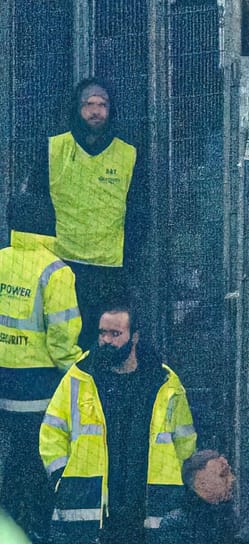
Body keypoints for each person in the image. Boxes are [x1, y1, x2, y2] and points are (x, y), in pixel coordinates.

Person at [39, 306, 196, 544]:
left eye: (115, 334)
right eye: (102, 333)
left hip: (146, 503)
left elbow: (184, 439)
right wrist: (62, 477)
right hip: (91, 502)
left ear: (135, 336)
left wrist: (184, 483)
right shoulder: (80, 377)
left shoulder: (164, 382)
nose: (106, 340)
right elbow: (52, 431)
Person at [25, 81, 143, 331]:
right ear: (77, 108)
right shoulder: (53, 149)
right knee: (65, 333)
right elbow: (35, 206)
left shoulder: (128, 154)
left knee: (105, 337)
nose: (95, 111)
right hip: (62, 264)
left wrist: (129, 258)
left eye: (102, 104)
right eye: (88, 104)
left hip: (110, 270)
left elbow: (139, 213)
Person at [0, 191, 83, 539]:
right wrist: (83, 370)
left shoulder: (2, 260)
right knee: (37, 470)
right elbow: (62, 344)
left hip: (4, 386)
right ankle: (34, 533)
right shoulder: (56, 271)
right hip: (39, 391)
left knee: (11, 467)